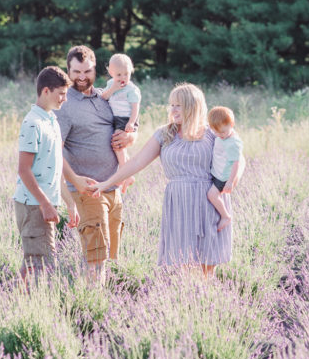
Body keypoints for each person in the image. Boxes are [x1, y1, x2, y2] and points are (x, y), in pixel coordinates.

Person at [91, 83, 244, 278]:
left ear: (193, 106)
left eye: (178, 105)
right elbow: (137, 161)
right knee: (182, 264)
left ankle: (206, 302)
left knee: (208, 266)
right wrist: (106, 183)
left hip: (208, 202)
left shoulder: (213, 132)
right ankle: (185, 303)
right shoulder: (165, 133)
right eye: (171, 105)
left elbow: (239, 156)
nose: (173, 110)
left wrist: (234, 179)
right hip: (179, 202)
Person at [55, 45, 136, 284]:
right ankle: (92, 309)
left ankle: (104, 307)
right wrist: (75, 182)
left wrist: (132, 137)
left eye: (87, 71)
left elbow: (127, 125)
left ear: (96, 70)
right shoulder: (65, 105)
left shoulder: (105, 97)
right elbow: (54, 152)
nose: (82, 76)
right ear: (68, 71)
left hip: (114, 187)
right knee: (95, 258)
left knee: (111, 256)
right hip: (88, 190)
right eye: (76, 71)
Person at [13, 66, 79, 284]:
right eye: (61, 93)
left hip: (45, 203)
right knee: (43, 266)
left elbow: (56, 166)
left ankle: (13, 301)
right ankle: (33, 308)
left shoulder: (51, 121)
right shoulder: (32, 123)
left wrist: (69, 203)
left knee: (33, 263)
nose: (64, 99)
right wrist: (45, 204)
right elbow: (24, 170)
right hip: (33, 206)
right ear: (46, 92)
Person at [99, 53, 141, 170]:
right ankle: (128, 168)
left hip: (127, 118)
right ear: (111, 73)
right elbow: (103, 97)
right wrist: (113, 88)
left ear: (131, 71)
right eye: (118, 74)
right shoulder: (111, 84)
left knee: (117, 142)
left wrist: (131, 122)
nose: (123, 78)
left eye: (126, 74)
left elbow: (135, 107)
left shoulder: (132, 89)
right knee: (119, 145)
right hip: (115, 117)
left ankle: (123, 169)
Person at [206, 106, 244, 232]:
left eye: (223, 132)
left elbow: (236, 163)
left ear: (231, 124)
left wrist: (230, 181)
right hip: (217, 171)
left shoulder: (233, 143)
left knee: (212, 195)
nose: (219, 135)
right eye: (216, 132)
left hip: (224, 176)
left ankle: (225, 216)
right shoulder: (220, 133)